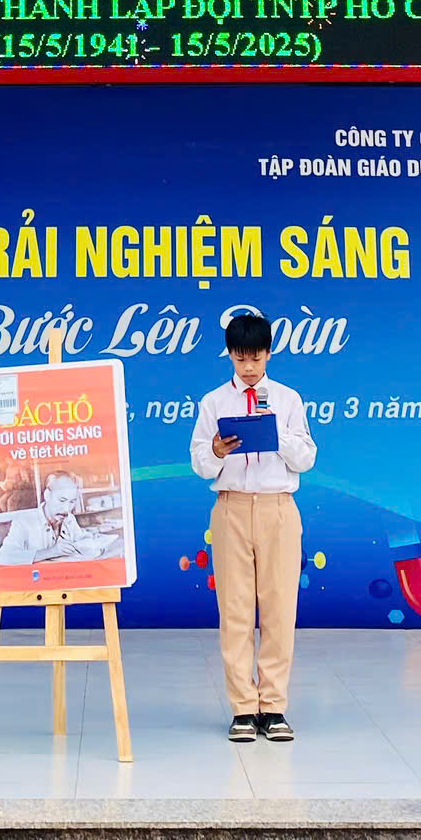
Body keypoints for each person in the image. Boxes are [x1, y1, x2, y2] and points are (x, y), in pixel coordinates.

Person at [189, 311, 318, 742]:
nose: (248, 367)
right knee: (236, 610)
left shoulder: (288, 399)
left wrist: (276, 434)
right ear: (229, 354)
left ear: (269, 354)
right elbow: (199, 464)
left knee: (280, 608)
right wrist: (216, 450)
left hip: (279, 508)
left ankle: (274, 706)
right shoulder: (213, 403)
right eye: (240, 358)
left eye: (256, 357)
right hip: (231, 507)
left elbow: (307, 458)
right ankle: (243, 708)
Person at [0, 470, 101, 565]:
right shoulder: (24, 522)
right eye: (62, 500)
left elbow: (86, 542)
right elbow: (3, 558)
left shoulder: (69, 518)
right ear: (47, 495)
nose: (67, 509)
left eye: (72, 502)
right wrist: (51, 552)